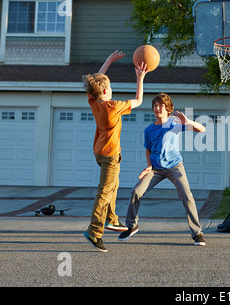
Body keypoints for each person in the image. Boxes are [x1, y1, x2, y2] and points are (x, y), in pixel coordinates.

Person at [82, 50, 149, 252]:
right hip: (110, 155)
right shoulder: (113, 107)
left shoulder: (94, 101)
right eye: (109, 87)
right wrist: (140, 78)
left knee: (113, 185)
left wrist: (108, 61)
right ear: (104, 92)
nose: (111, 89)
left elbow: (96, 82)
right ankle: (94, 231)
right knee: (105, 191)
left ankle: (111, 219)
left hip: (100, 152)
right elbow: (138, 101)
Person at [118, 93, 207, 246]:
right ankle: (131, 226)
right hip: (155, 170)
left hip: (175, 167)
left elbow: (202, 129)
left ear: (168, 109)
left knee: (187, 196)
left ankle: (197, 233)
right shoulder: (149, 130)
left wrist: (189, 122)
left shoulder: (175, 124)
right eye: (155, 106)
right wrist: (149, 166)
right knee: (136, 192)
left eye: (161, 106)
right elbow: (148, 149)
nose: (157, 108)